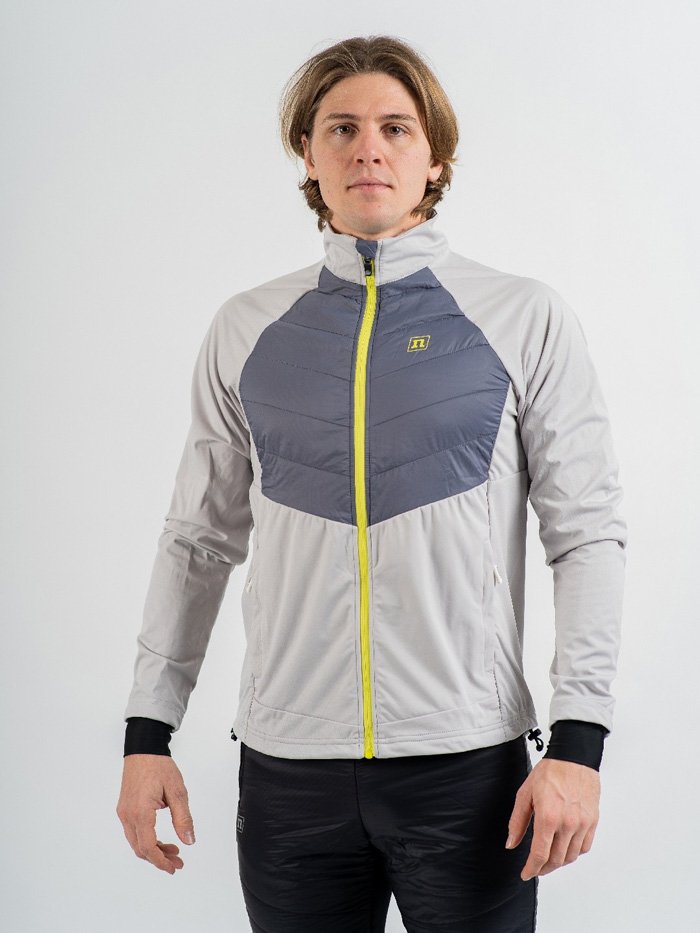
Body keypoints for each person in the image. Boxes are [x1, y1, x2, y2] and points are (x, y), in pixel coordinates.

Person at [116, 35, 627, 932]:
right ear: (308, 157)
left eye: (396, 127)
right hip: (287, 770)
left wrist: (579, 742)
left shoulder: (522, 316)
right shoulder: (246, 327)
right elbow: (196, 540)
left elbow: (586, 533)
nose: (369, 149)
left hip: (467, 766)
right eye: (341, 128)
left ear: (436, 157)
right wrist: (146, 733)